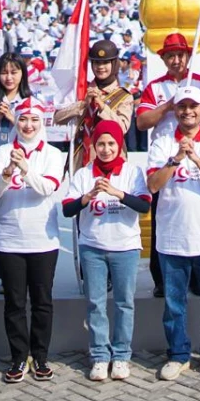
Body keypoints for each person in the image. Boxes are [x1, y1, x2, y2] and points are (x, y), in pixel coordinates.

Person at [146, 84, 200, 381]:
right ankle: (178, 354)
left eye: (193, 106)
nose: (188, 111)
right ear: (176, 109)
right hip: (172, 237)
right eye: (182, 106)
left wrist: (196, 158)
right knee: (173, 305)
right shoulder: (161, 143)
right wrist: (176, 159)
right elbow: (153, 185)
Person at [136, 33, 200, 297]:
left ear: (188, 56)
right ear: (163, 58)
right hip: (166, 150)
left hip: (199, 147)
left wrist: (194, 103)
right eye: (170, 55)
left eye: (180, 55)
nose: (176, 60)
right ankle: (163, 279)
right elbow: (142, 122)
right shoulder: (154, 86)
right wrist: (169, 105)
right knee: (164, 212)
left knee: (199, 208)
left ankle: (199, 278)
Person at [0, 98, 66, 383]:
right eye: (22, 119)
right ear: (15, 121)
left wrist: (26, 169)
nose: (28, 125)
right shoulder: (2, 151)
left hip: (43, 240)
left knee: (42, 302)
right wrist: (7, 172)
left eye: (34, 120)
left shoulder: (54, 154)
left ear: (42, 122)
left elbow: (47, 188)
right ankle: (18, 357)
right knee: (15, 304)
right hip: (8, 241)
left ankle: (41, 356)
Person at [62, 120, 150, 382]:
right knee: (95, 304)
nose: (106, 148)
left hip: (125, 247)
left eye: (111, 143)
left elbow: (144, 206)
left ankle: (121, 355)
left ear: (120, 145)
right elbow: (68, 209)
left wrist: (117, 193)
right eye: (101, 143)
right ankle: (100, 355)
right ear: (93, 145)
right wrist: (87, 198)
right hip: (93, 247)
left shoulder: (132, 173)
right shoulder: (83, 174)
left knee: (124, 303)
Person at [54, 39, 134, 165]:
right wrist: (83, 104)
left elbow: (121, 128)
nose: (100, 67)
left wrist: (102, 107)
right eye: (96, 62)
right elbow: (58, 118)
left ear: (114, 64)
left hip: (111, 159)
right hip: (81, 159)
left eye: (106, 62)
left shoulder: (123, 96)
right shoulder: (81, 90)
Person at [0, 52, 32, 145]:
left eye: (13, 73)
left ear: (22, 73)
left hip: (20, 152)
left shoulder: (30, 101)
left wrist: (11, 117)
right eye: (4, 73)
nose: (9, 77)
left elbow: (34, 135)